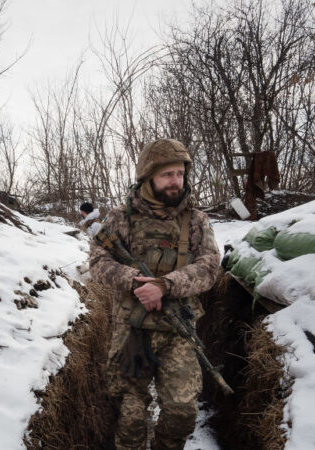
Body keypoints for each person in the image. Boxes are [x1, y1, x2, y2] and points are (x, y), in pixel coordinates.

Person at [89, 138, 220, 450]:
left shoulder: (197, 220)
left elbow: (211, 266)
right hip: (131, 328)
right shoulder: (121, 218)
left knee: (182, 412)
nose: (175, 181)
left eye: (179, 173)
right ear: (148, 177)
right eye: (167, 175)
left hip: (178, 330)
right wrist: (134, 282)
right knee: (130, 416)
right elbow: (97, 263)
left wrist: (165, 285)